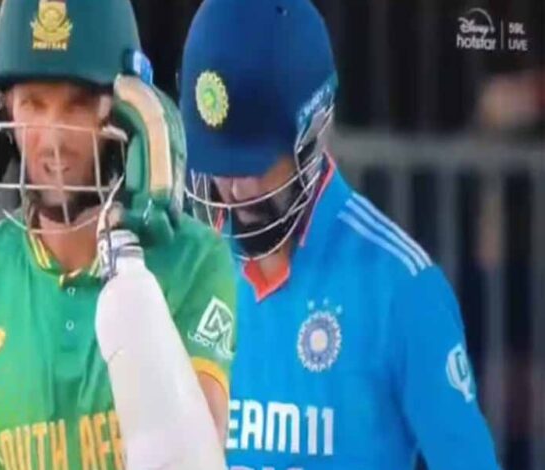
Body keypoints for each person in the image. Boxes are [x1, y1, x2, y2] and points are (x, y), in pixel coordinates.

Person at [0, 0, 236, 468]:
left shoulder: (193, 261)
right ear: (3, 108)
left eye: (77, 104)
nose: (53, 140)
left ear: (131, 111)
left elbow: (189, 457)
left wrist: (129, 262)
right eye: (33, 105)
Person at [179, 0, 501, 468]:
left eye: (255, 164)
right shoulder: (186, 274)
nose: (236, 190)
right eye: (219, 164)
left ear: (313, 131)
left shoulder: (402, 287)